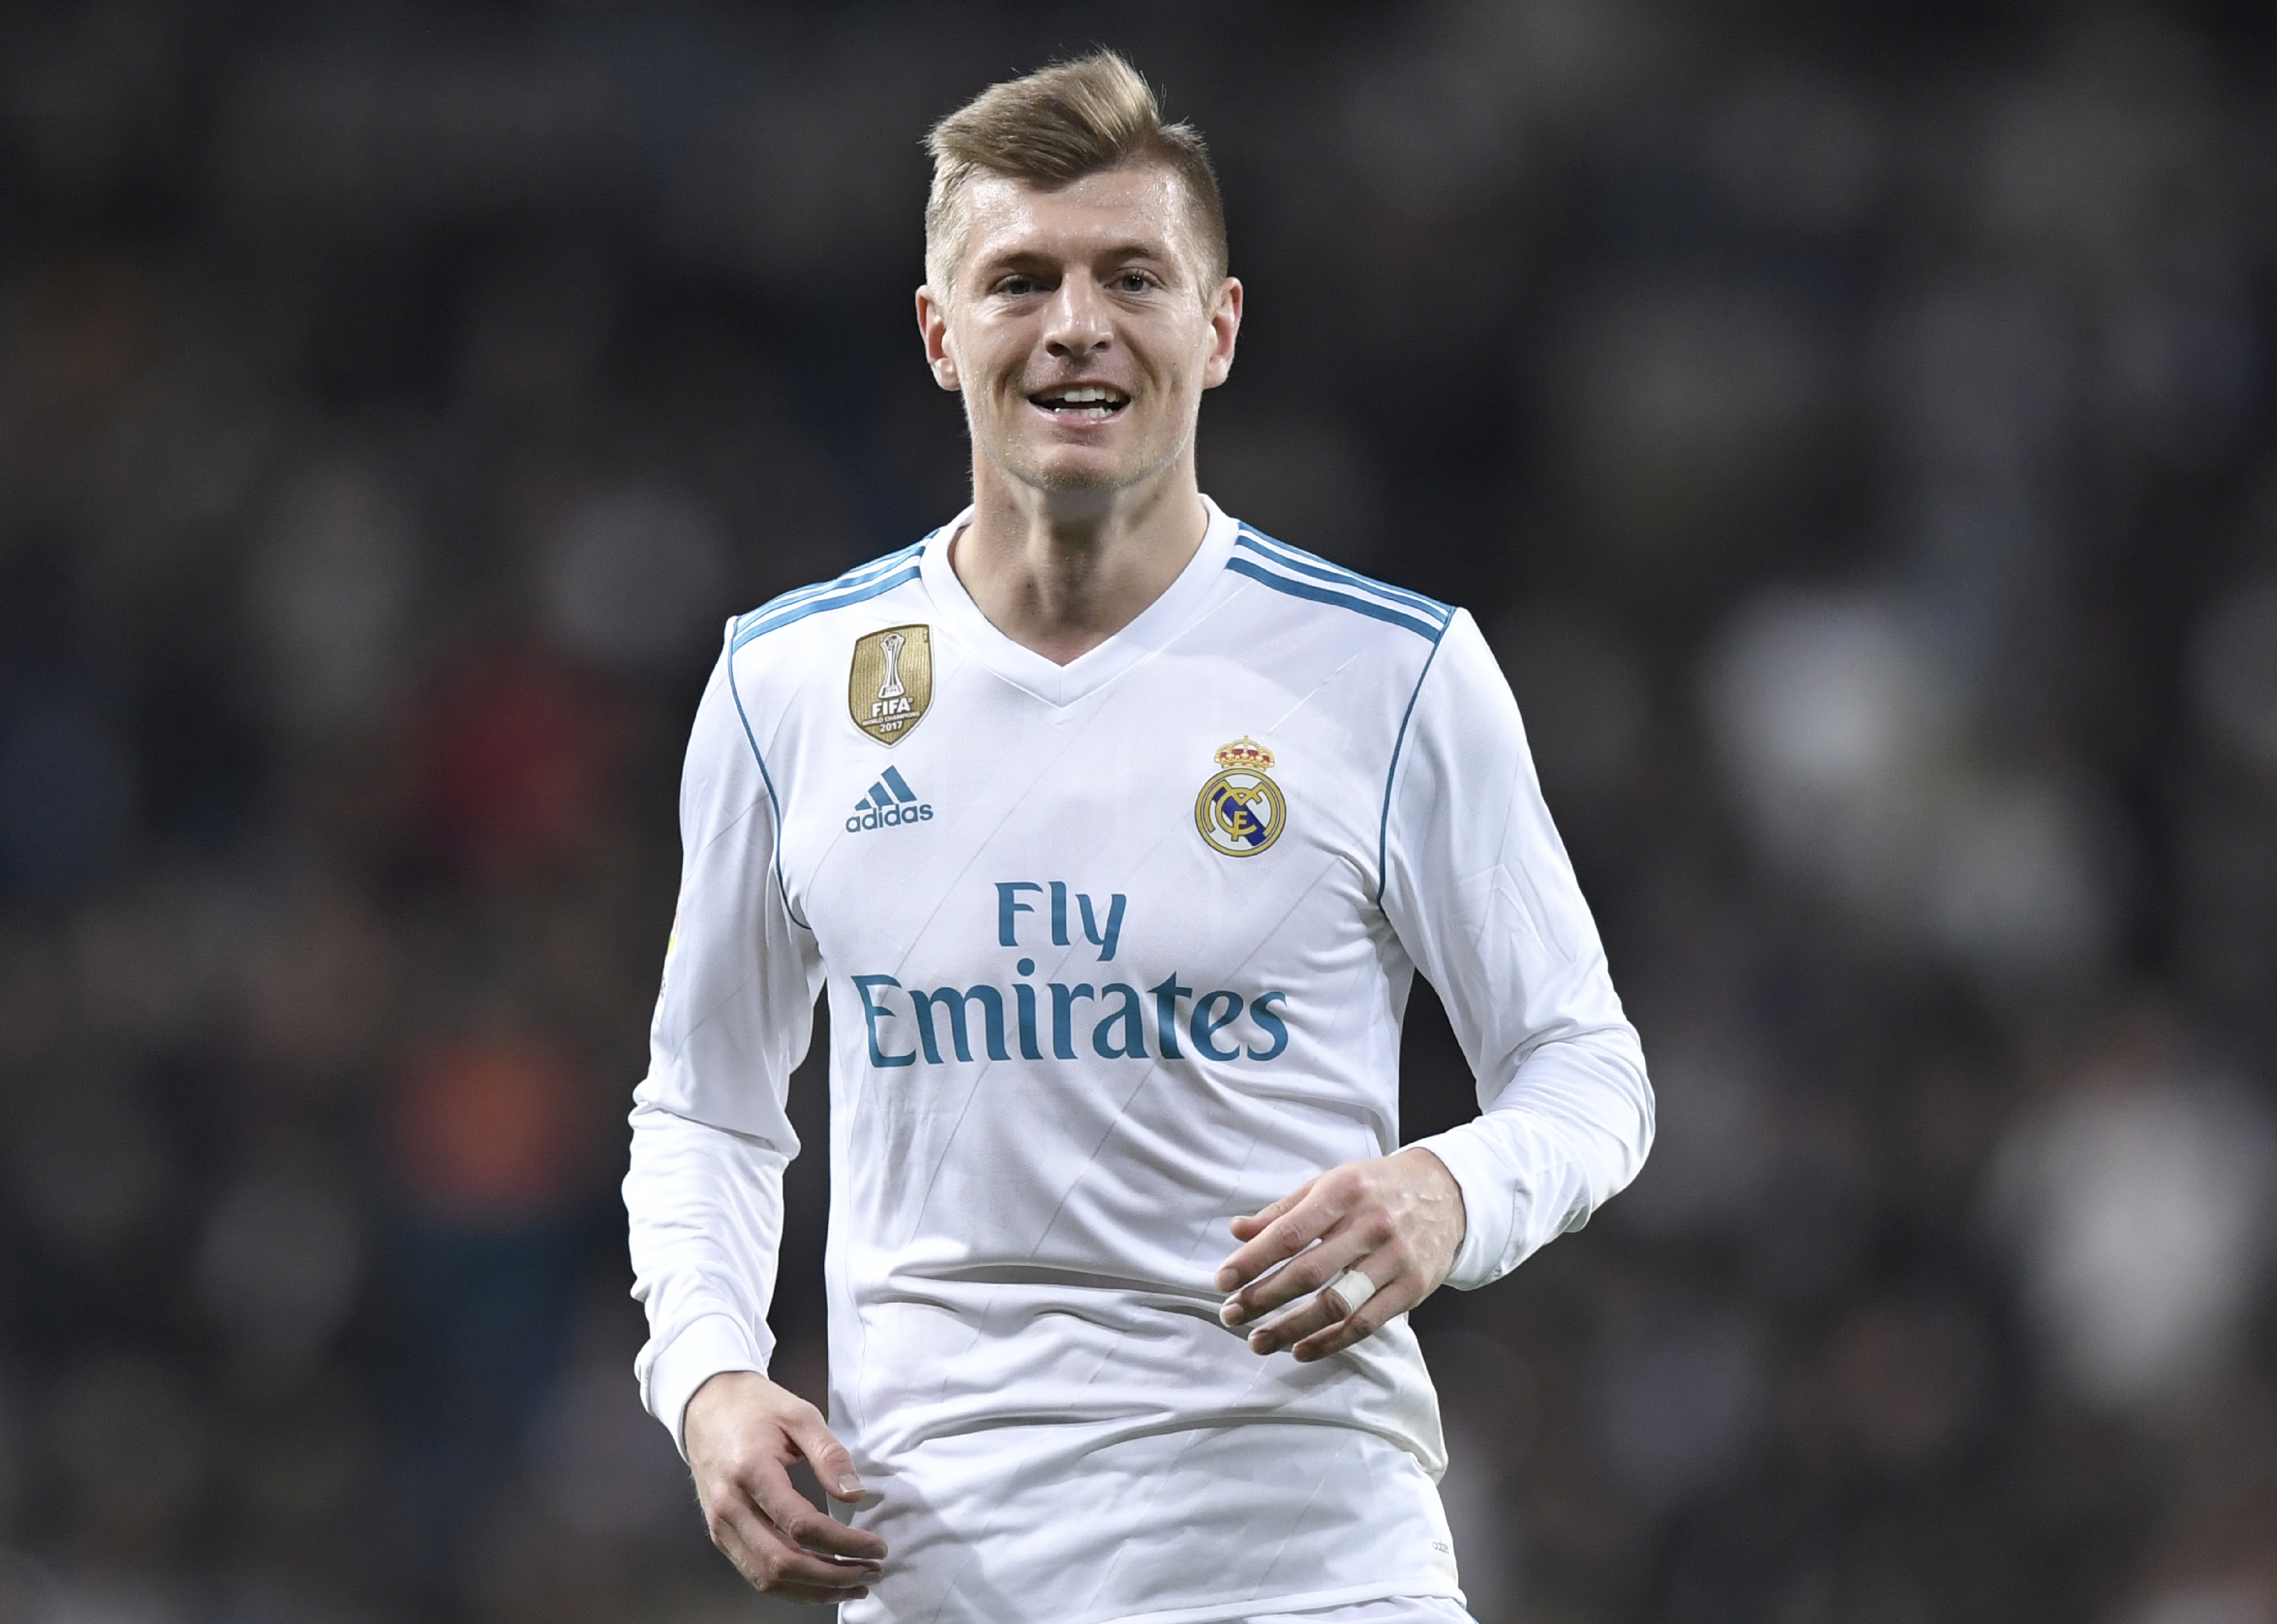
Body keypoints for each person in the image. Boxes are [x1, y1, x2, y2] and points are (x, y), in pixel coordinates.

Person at [624, 50, 1653, 1624]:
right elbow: (706, 1109)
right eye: (1020, 280)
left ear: (1217, 328)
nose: (1077, 325)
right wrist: (707, 1375)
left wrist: (1450, 1192)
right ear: (939, 332)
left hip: (1312, 1579)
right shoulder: (790, 685)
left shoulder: (1393, 673)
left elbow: (1587, 1070)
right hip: (940, 1580)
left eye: (1132, 276)